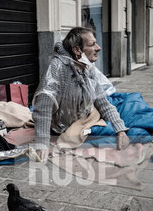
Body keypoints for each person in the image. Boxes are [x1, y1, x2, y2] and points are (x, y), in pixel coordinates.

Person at [33, 27, 130, 162]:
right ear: (77, 50)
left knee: (127, 110)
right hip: (63, 125)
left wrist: (120, 130)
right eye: (91, 44)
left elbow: (103, 103)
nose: (98, 47)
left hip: (83, 116)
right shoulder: (58, 68)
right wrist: (42, 144)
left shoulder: (87, 67)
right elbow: (43, 106)